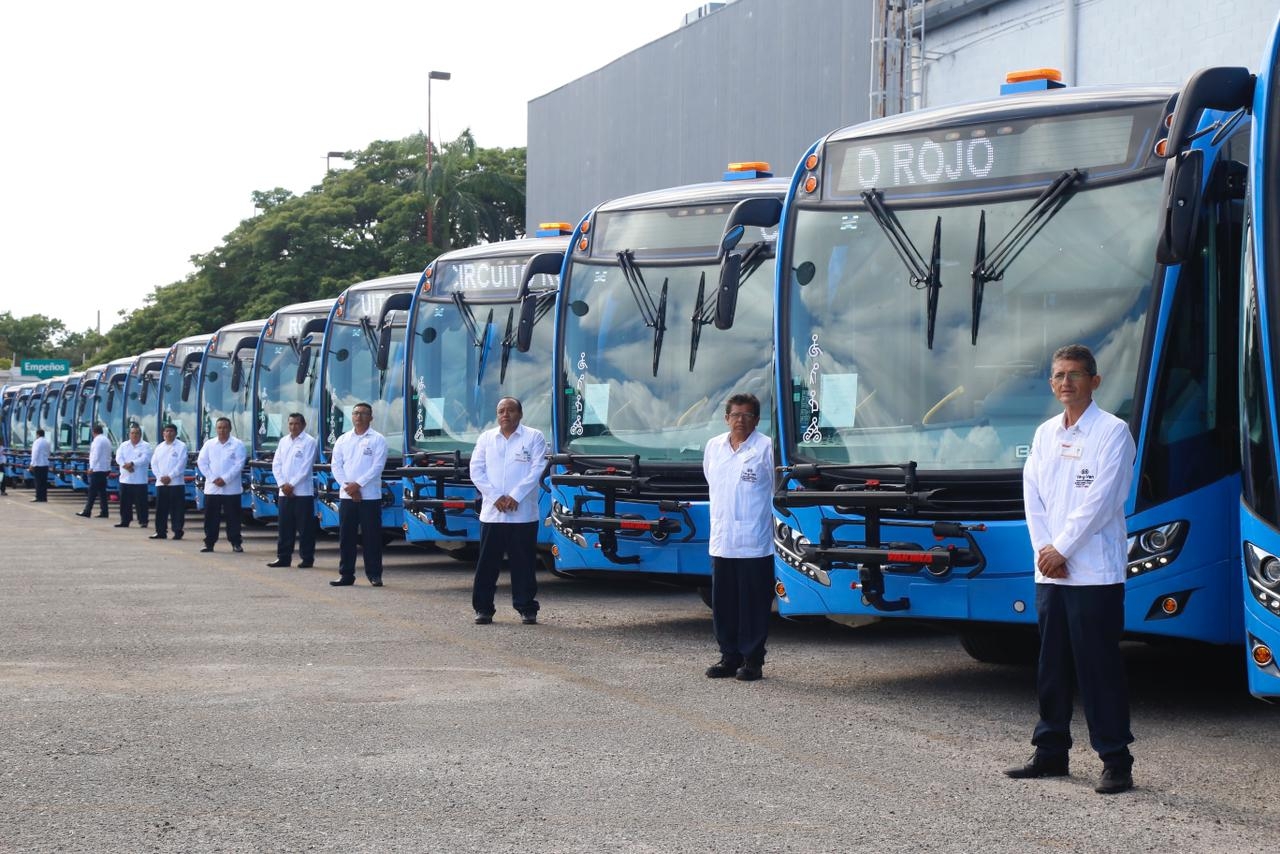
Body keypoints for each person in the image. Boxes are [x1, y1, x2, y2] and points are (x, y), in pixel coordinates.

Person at [1007, 343, 1137, 795]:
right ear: (1051, 383)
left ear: (1095, 381)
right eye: (1060, 375)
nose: (1067, 382)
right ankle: (1051, 752)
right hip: (1052, 572)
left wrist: (1061, 548)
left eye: (1076, 375)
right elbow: (1032, 498)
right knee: (1052, 665)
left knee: (1098, 666)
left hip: (1094, 574)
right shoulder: (1044, 434)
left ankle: (1115, 759)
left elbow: (1102, 501)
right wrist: (1046, 550)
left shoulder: (1113, 432)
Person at [702, 392, 776, 681]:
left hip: (755, 542)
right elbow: (712, 481)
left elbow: (775, 489)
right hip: (722, 540)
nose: (740, 421)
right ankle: (728, 656)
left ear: (756, 420)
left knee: (753, 604)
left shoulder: (767, 448)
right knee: (723, 604)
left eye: (747, 415)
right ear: (726, 418)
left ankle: (753, 660)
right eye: (735, 415)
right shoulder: (714, 447)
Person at [469, 397, 547, 625]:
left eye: (510, 410)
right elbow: (476, 470)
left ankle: (526, 608)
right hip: (493, 514)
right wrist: (495, 496)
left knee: (523, 564)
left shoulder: (534, 437)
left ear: (520, 414)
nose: (505, 414)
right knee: (487, 565)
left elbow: (537, 469)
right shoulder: (486, 438)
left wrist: (515, 496)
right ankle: (483, 609)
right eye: (501, 410)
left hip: (522, 514)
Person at [329, 402, 388, 587]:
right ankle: (346, 574)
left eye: (363, 413)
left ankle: (374, 575)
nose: (359, 416)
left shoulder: (378, 439)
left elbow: (377, 467)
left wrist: (358, 485)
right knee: (346, 537)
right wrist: (348, 487)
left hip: (369, 496)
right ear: (351, 416)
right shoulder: (343, 439)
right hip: (347, 497)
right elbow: (336, 466)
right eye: (355, 413)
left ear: (371, 417)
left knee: (371, 538)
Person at [268, 412, 318, 569]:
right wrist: (283, 484)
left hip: (302, 492)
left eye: (296, 424)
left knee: (305, 528)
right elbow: (276, 464)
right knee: (284, 526)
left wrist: (292, 484)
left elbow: (306, 468)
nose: (293, 427)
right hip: (285, 492)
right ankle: (283, 557)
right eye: (290, 424)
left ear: (303, 425)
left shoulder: (309, 442)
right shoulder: (283, 441)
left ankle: (307, 558)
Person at [197, 416, 247, 553]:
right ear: (216, 429)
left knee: (233, 517)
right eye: (219, 427)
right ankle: (209, 543)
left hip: (231, 489)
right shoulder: (209, 444)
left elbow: (239, 464)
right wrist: (213, 478)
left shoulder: (238, 444)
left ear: (230, 428)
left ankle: (236, 542)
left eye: (225, 427)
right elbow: (202, 462)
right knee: (211, 518)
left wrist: (225, 479)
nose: (222, 430)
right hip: (212, 489)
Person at [151, 423, 187, 540]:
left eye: (171, 431)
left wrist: (170, 476)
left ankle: (177, 531)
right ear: (163, 433)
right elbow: (154, 464)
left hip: (176, 483)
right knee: (161, 509)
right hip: (161, 483)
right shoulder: (159, 447)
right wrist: (160, 476)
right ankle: (160, 531)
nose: (168, 433)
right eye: (166, 431)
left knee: (177, 509)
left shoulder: (181, 446)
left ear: (176, 433)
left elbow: (181, 464)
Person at [114, 424, 152, 528]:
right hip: (125, 479)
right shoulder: (124, 445)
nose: (134, 435)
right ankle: (125, 521)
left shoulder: (146, 446)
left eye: (137, 433)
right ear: (129, 434)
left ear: (140, 434)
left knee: (141, 503)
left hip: (139, 480)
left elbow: (145, 459)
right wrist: (125, 465)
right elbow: (118, 457)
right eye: (132, 433)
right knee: (125, 503)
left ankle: (143, 521)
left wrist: (132, 463)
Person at [77, 424, 112, 518]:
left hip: (97, 469)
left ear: (93, 432)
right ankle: (104, 512)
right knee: (102, 492)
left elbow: (95, 455)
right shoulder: (107, 440)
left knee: (92, 491)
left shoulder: (97, 441)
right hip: (105, 469)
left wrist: (91, 467)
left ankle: (87, 511)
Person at [29, 428, 51, 502]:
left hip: (38, 464)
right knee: (44, 482)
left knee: (38, 482)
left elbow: (35, 453)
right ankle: (44, 498)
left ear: (37, 434)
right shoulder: (47, 442)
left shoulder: (37, 442)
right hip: (45, 464)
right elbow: (48, 453)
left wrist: (32, 464)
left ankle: (38, 497)